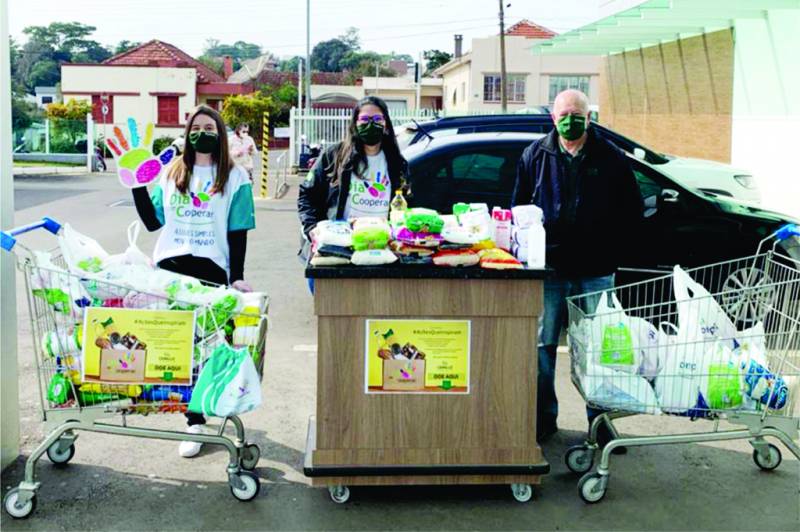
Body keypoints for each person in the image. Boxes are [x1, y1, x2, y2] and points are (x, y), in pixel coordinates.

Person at [511, 89, 643, 449]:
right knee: (542, 348)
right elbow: (518, 212)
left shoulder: (610, 158)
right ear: (554, 118)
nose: (570, 119)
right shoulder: (535, 155)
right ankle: (542, 421)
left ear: (589, 118)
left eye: (578, 114)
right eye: (564, 113)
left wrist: (610, 245)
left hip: (594, 270)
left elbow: (632, 211)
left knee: (599, 353)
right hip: (548, 271)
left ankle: (600, 424)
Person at [131, 104, 256, 457]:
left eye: (210, 127)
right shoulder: (171, 173)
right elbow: (152, 223)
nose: (203, 133)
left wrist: (237, 277)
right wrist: (137, 185)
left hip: (211, 271)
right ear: (187, 135)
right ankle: (193, 421)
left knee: (207, 350)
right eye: (196, 127)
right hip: (170, 269)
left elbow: (238, 230)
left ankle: (198, 415)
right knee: (179, 349)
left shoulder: (235, 178)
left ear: (220, 135)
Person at [297, 96, 407, 276]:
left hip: (380, 249)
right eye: (364, 119)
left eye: (377, 119)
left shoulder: (398, 164)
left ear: (386, 125)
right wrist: (312, 229)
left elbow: (405, 203)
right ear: (354, 124)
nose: (371, 124)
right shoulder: (334, 156)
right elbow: (307, 195)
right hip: (340, 248)